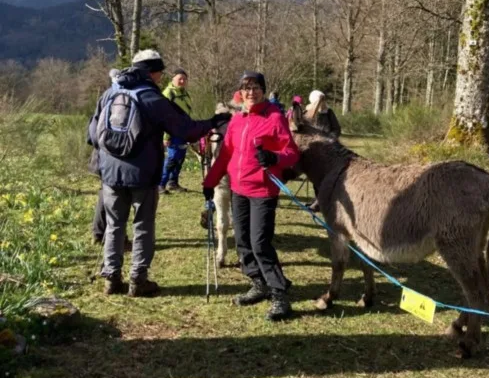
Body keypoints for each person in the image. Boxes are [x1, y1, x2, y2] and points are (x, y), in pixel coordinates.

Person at [88, 49, 230, 297]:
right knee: (143, 224)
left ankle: (111, 278)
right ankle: (138, 281)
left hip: (109, 172)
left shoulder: (110, 93)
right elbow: (186, 130)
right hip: (142, 174)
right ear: (153, 73)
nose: (161, 78)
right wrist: (214, 121)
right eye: (160, 73)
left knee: (114, 224)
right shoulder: (151, 98)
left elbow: (92, 134)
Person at [203, 70, 300, 320]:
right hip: (238, 188)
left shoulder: (275, 117)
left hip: (263, 190)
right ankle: (258, 283)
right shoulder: (236, 120)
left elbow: (292, 153)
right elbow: (225, 155)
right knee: (243, 241)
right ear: (241, 92)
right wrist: (210, 181)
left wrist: (275, 157)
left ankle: (280, 295)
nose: (250, 92)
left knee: (260, 243)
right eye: (246, 88)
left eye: (256, 87)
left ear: (263, 90)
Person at [91, 68, 131, 251]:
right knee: (115, 199)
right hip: (110, 157)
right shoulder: (118, 96)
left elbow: (92, 131)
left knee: (106, 195)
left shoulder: (106, 96)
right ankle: (114, 238)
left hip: (102, 154)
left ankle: (98, 233)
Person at [304, 90, 341, 212]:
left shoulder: (328, 112)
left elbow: (336, 129)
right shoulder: (307, 112)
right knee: (315, 176)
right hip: (314, 149)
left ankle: (322, 201)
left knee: (325, 176)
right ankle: (318, 200)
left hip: (329, 150)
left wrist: (330, 140)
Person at [159, 68, 194, 194]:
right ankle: (161, 184)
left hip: (183, 132)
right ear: (173, 79)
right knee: (172, 158)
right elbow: (164, 117)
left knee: (180, 158)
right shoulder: (168, 93)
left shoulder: (184, 93)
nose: (182, 81)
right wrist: (166, 136)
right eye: (180, 78)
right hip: (172, 132)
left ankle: (173, 183)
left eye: (184, 79)